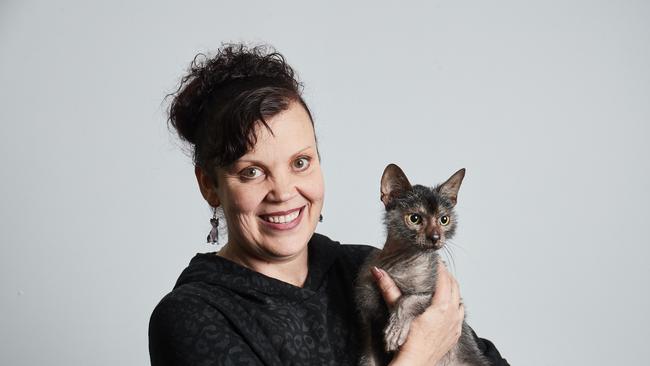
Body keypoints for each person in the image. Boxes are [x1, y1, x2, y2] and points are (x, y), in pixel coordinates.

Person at [149, 43, 509, 366]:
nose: (283, 191)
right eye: (253, 171)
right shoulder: (190, 316)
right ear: (209, 185)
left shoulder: (367, 269)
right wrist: (420, 353)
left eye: (300, 162)